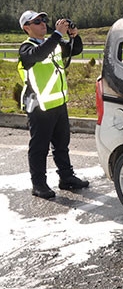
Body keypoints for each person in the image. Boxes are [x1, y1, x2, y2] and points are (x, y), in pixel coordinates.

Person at [17, 10, 89, 199]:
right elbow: (39, 55)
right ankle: (39, 185)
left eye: (43, 20)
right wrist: (57, 34)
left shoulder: (53, 44)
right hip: (39, 105)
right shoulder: (26, 48)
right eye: (37, 21)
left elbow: (75, 50)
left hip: (58, 103)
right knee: (39, 147)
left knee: (62, 144)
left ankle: (66, 177)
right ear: (26, 28)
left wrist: (74, 36)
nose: (43, 23)